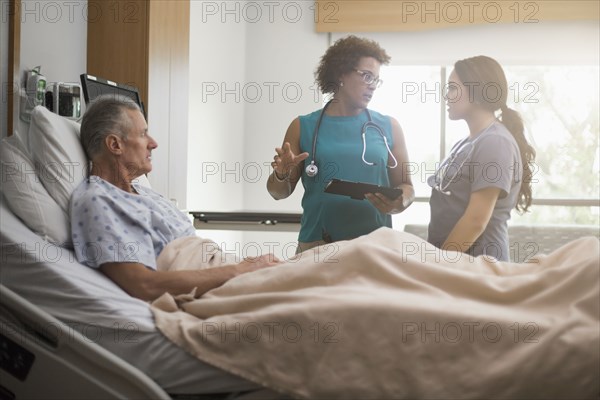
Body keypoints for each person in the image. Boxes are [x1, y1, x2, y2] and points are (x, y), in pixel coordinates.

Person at [70, 95, 280, 301]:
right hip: (218, 285)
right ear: (115, 145)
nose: (153, 143)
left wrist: (247, 266)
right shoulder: (97, 201)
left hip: (226, 271)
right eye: (143, 134)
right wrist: (240, 271)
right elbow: (144, 285)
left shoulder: (145, 193)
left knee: (310, 264)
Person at [267, 35, 415, 253]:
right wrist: (281, 174)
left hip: (376, 248)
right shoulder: (302, 126)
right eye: (366, 76)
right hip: (317, 246)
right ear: (340, 73)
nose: (372, 86)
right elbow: (278, 193)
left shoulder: (389, 127)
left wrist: (400, 202)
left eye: (376, 79)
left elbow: (407, 187)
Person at [427, 55, 536, 261]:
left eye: (452, 88)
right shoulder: (466, 142)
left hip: (480, 265)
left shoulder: (495, 142)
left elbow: (476, 220)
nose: (446, 95)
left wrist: (438, 264)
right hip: (458, 264)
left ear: (476, 92)